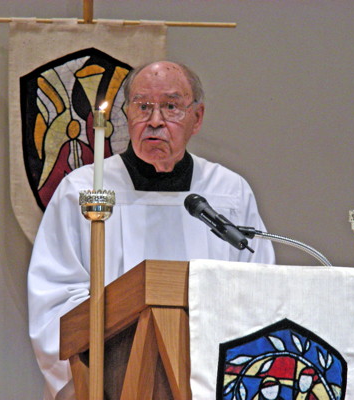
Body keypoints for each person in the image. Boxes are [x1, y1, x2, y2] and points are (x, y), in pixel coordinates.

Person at [28, 61, 276, 400]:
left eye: (171, 106)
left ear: (197, 118)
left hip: (208, 382)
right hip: (113, 382)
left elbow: (258, 291)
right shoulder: (82, 191)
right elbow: (55, 297)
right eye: (143, 106)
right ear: (127, 115)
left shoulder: (228, 194)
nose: (155, 121)